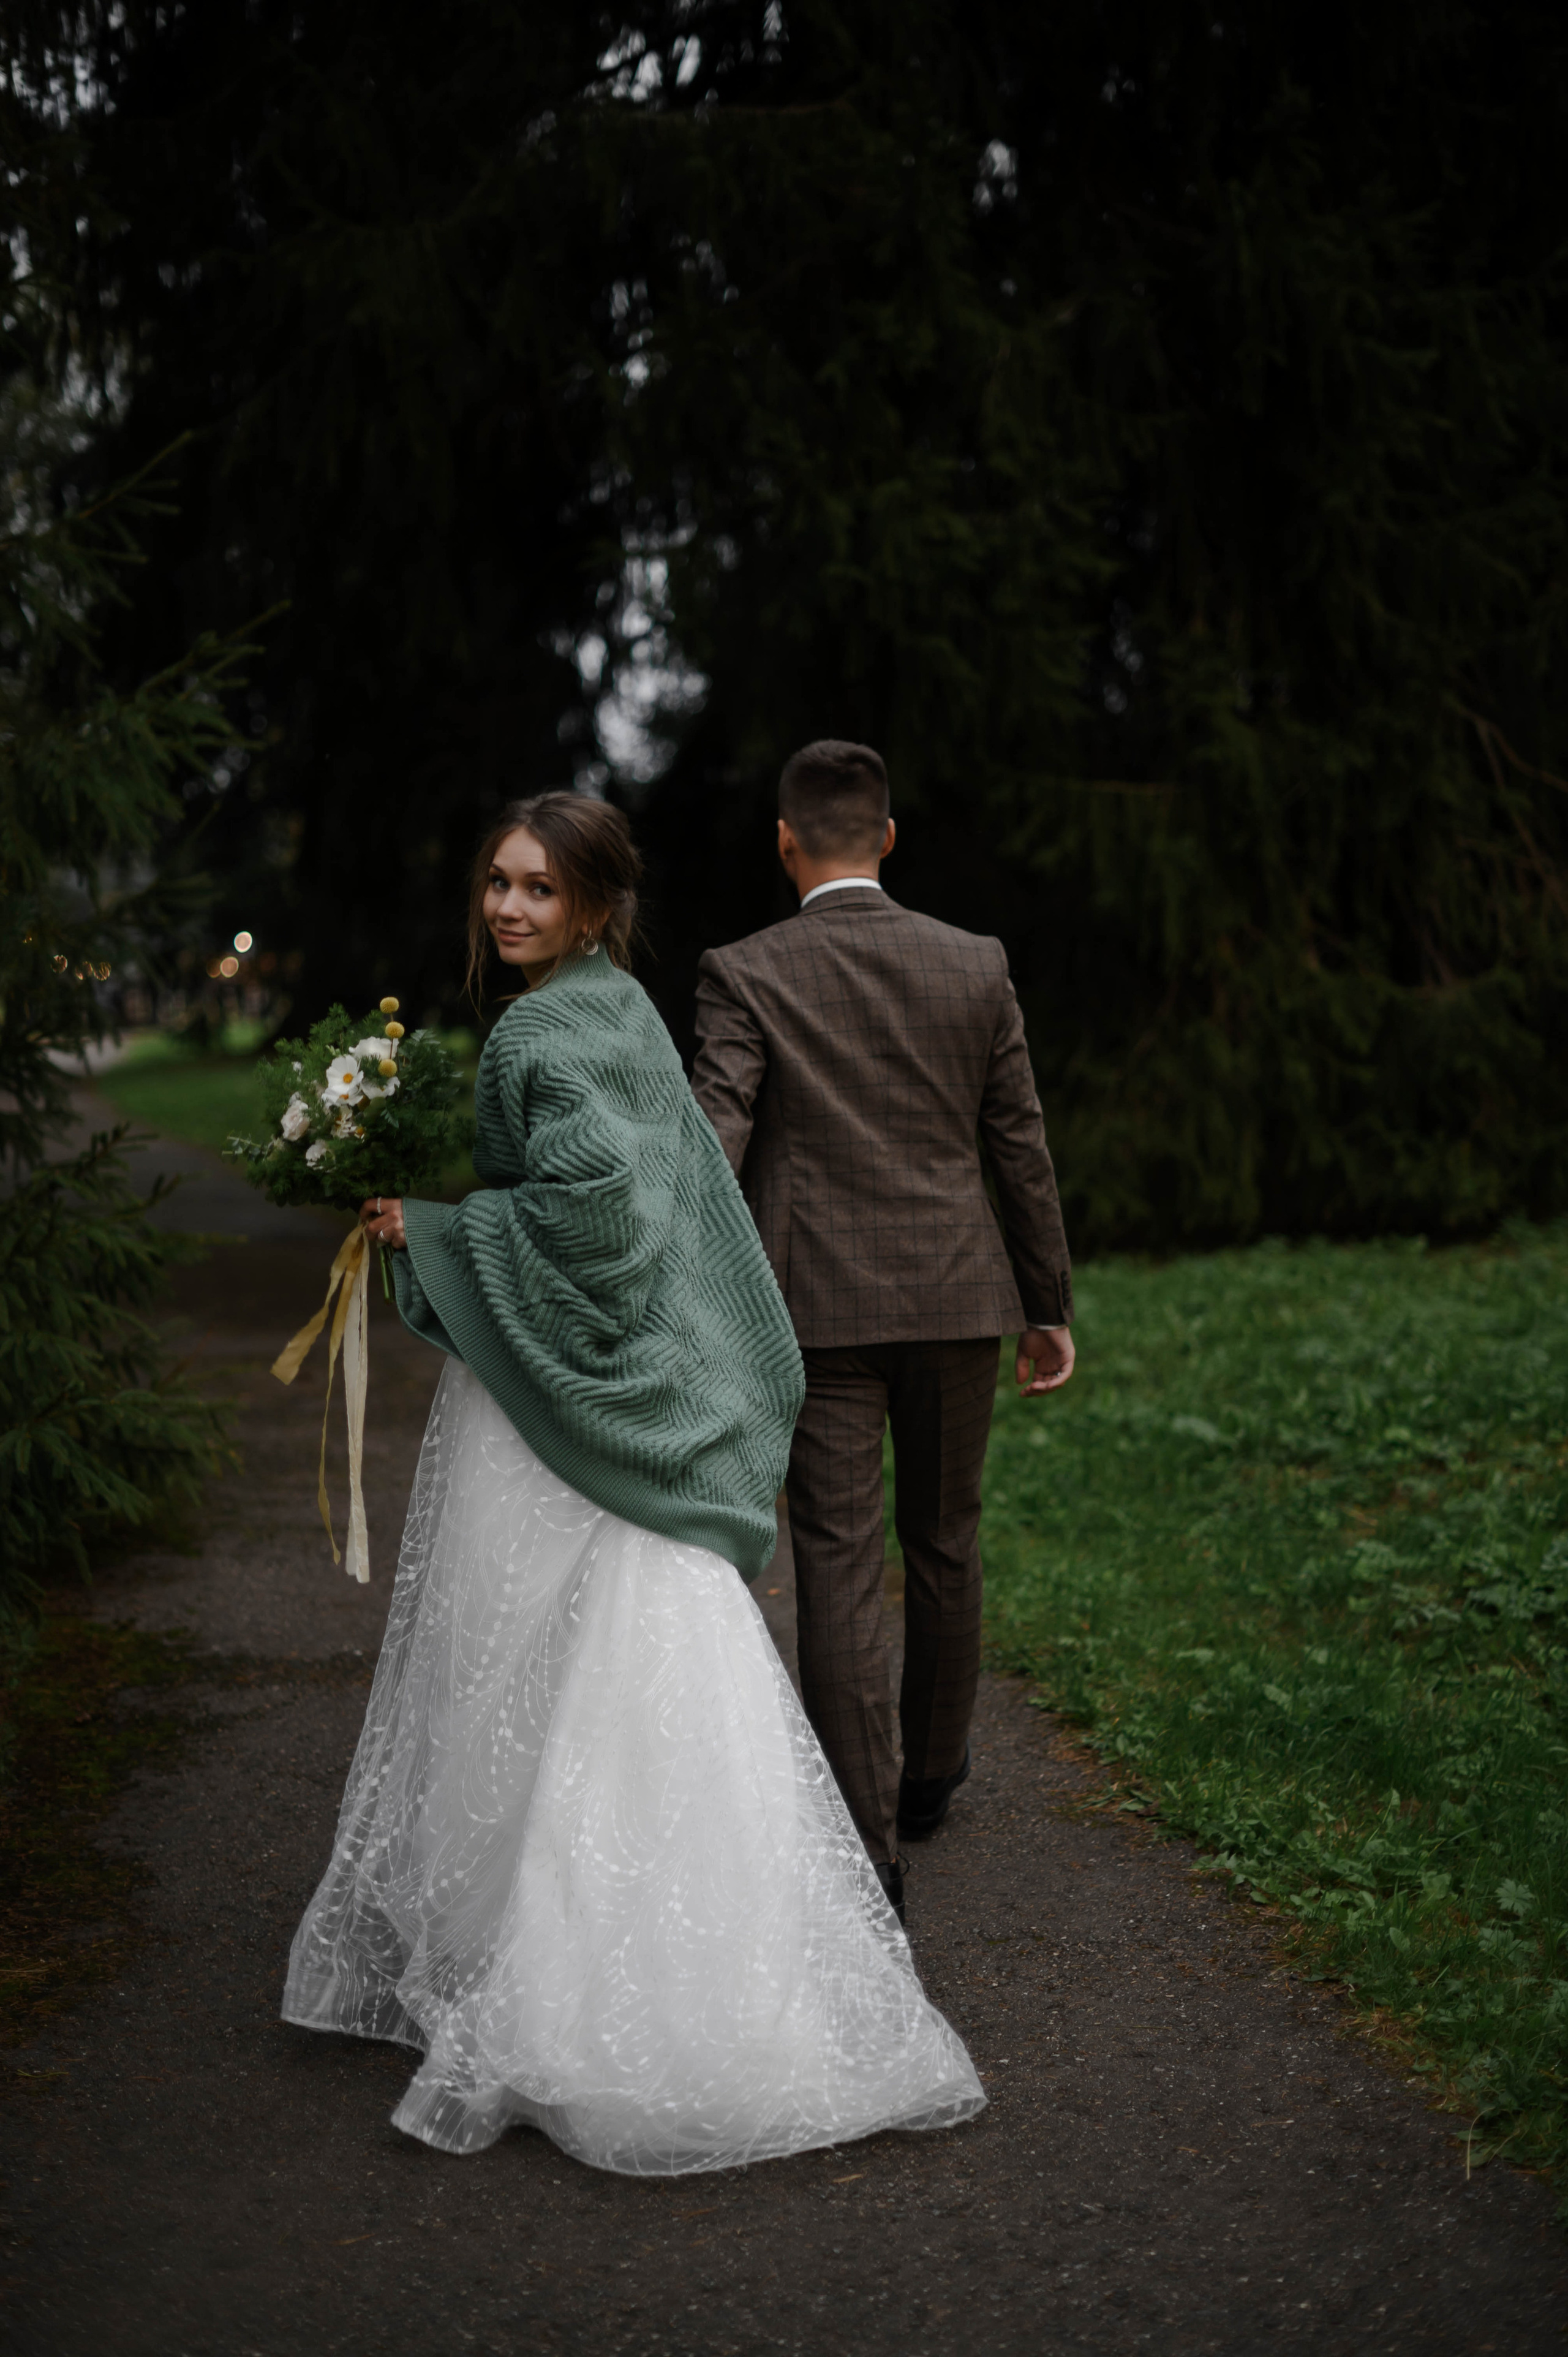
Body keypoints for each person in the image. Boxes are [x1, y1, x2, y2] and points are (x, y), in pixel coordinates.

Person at [281, 791, 984, 2174]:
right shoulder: (616, 1010)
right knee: (626, 1670)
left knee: (525, 1655)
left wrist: (442, 1224)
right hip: (636, 1385)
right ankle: (718, 1970)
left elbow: (600, 1214)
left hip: (567, 1408)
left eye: (538, 890)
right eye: (496, 883)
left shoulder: (547, 1027)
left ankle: (570, 1987)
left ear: (596, 909)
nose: (507, 909)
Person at [691, 741, 1074, 1918]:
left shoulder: (743, 971)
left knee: (840, 1561)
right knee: (945, 1538)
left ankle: (866, 1853)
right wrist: (1046, 1303)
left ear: (785, 842)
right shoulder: (974, 964)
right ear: (890, 839)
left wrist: (690, 1292)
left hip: (816, 1315)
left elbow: (714, 1144)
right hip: (963, 1299)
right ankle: (933, 1777)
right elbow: (1018, 1142)